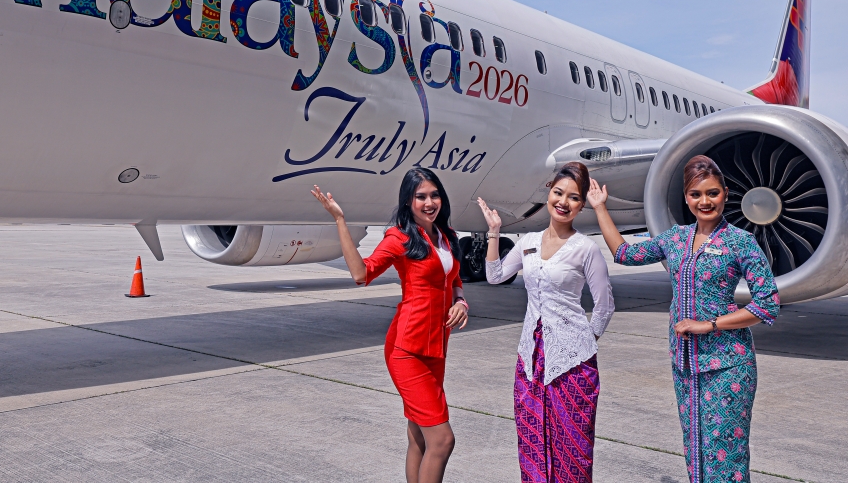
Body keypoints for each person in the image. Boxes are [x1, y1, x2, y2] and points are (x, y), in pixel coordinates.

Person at [587, 155, 780, 483]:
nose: (705, 201)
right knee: (695, 447)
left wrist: (710, 324)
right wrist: (599, 207)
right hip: (686, 363)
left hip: (728, 364)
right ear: (686, 197)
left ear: (726, 193)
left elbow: (767, 305)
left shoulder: (740, 242)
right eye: (696, 194)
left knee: (726, 451)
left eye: (713, 193)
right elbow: (624, 254)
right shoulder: (674, 238)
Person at [312, 167, 468, 483]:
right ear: (408, 202)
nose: (429, 202)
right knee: (442, 440)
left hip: (436, 347)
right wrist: (340, 221)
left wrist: (461, 302)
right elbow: (361, 273)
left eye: (434, 195)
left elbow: (455, 280)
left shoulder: (446, 236)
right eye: (420, 196)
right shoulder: (400, 238)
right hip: (406, 350)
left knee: (419, 437)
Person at [477, 161, 614, 483]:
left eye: (574, 198)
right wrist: (494, 232)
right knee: (531, 441)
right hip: (530, 359)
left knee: (573, 449)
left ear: (582, 205)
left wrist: (580, 342)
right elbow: (495, 276)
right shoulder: (528, 241)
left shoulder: (586, 249)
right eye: (558, 193)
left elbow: (605, 305)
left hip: (573, 363)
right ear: (549, 193)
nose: (563, 202)